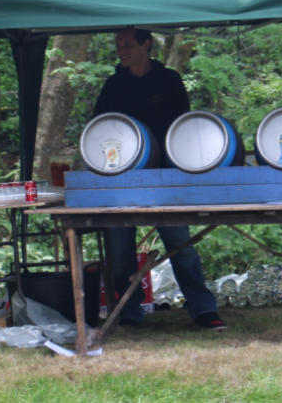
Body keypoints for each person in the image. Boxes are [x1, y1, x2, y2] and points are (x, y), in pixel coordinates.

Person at [92, 27, 226, 330]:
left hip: (166, 176)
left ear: (146, 45)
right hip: (123, 178)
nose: (120, 50)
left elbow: (185, 128)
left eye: (127, 44)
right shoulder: (113, 85)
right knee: (119, 247)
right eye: (118, 44)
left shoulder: (169, 81)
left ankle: (203, 309)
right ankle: (129, 309)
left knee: (181, 243)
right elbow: (99, 128)